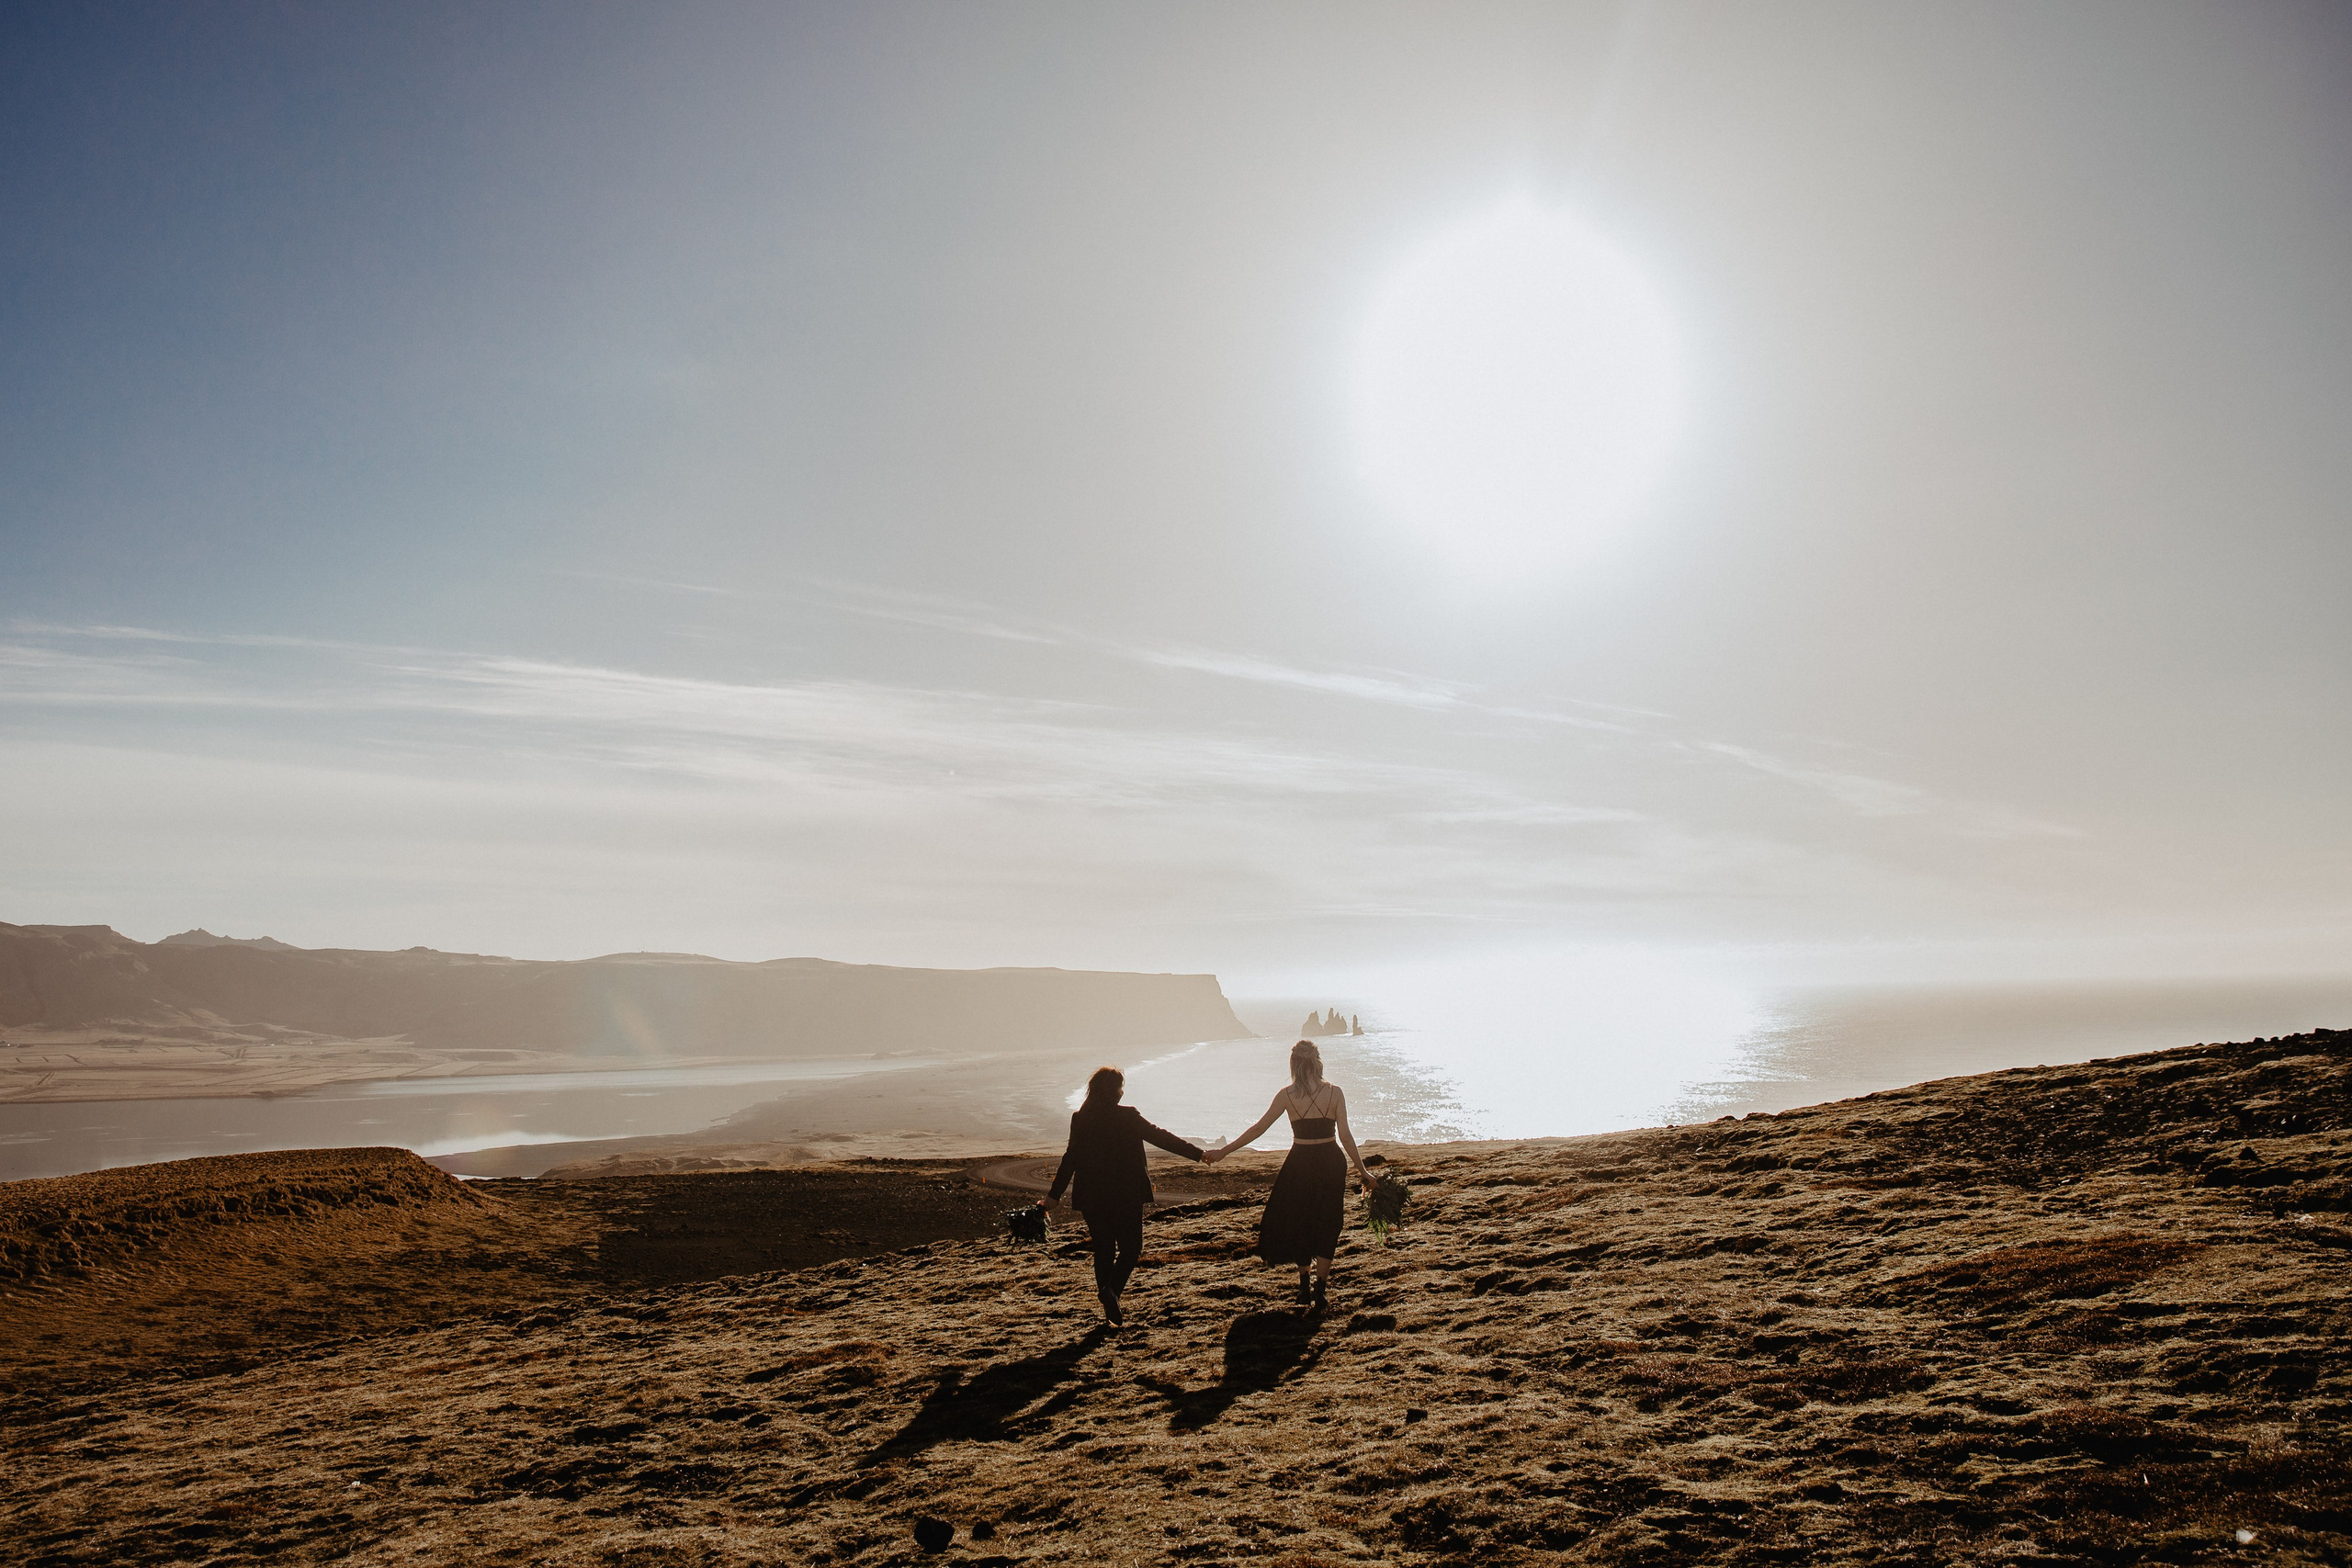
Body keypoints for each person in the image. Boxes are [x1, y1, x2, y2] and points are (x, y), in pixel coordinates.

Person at [1204, 1038, 1373, 1312]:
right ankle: (1320, 1289)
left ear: (1294, 1064)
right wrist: (1364, 1171)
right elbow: (1345, 1136)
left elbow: (1258, 1130)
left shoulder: (1287, 1095)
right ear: (1317, 1062)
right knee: (1329, 1222)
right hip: (1331, 1162)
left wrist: (1224, 1151)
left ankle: (1304, 1286)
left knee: (1301, 1221)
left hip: (1300, 1163)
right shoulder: (1336, 1093)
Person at [1040, 1066, 1208, 1325]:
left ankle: (1109, 1306)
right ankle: (1113, 1291)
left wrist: (1053, 1196)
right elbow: (1161, 1138)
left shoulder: (1080, 1118)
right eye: (1120, 1087)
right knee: (1131, 1249)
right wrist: (1198, 1154)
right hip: (1127, 1193)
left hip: (1092, 1197)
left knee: (1103, 1249)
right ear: (1114, 1091)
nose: (1122, 1092)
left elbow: (1070, 1159)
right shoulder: (1128, 1117)